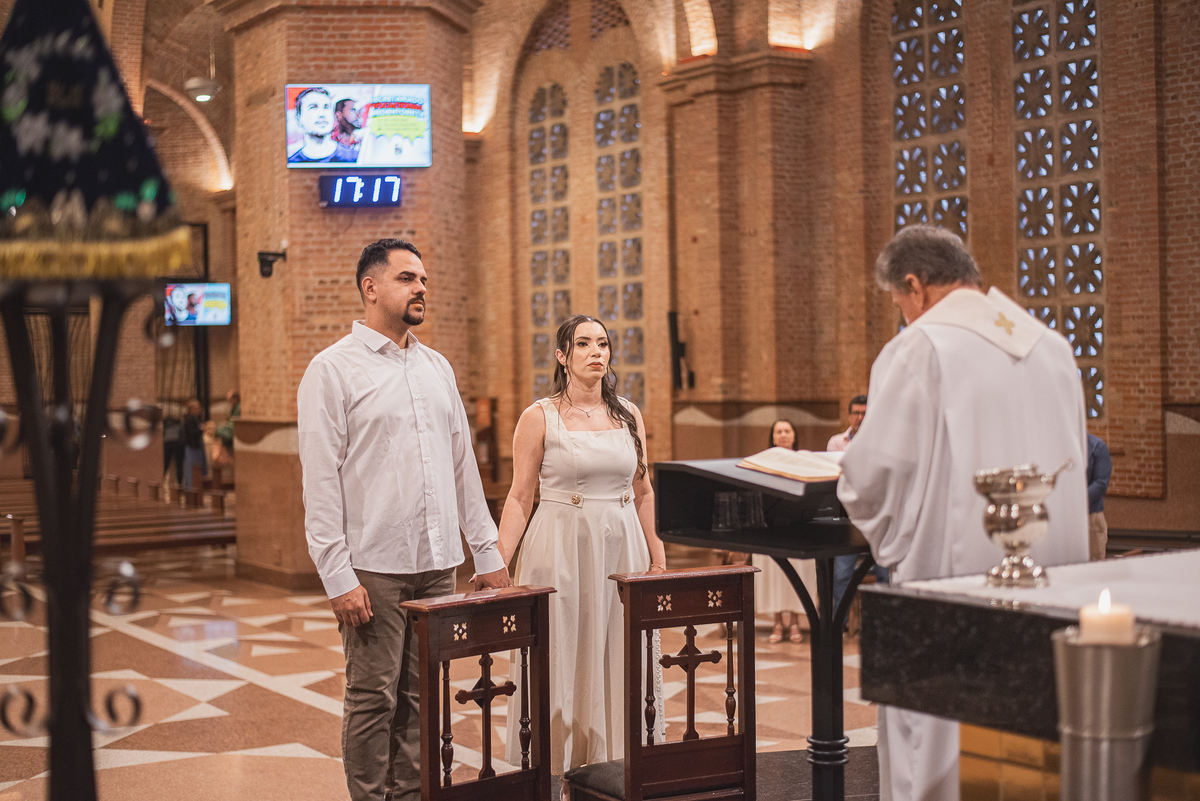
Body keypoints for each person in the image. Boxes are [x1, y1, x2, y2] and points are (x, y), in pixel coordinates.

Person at [837, 225, 1089, 801]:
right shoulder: (1050, 345)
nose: (903, 314)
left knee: (943, 734)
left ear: (914, 285)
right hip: (1055, 584)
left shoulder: (919, 348)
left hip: (949, 591)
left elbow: (874, 475)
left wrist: (891, 542)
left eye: (899, 302)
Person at [297, 238, 512, 801]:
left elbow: (462, 465)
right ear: (371, 288)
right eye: (407, 278)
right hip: (374, 566)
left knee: (422, 697)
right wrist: (337, 576)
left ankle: (410, 795)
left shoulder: (436, 366)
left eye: (423, 279)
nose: (421, 288)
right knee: (373, 698)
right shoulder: (332, 370)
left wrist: (485, 554)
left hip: (438, 564)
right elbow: (319, 482)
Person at [497, 313, 668, 774]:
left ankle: (614, 765)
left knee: (620, 650)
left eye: (603, 344)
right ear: (562, 356)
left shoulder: (629, 414)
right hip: (561, 547)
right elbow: (519, 496)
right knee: (563, 653)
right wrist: (498, 564)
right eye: (584, 344)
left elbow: (644, 490)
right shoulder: (539, 416)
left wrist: (657, 554)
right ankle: (555, 769)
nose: (597, 352)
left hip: (620, 546)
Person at [752, 420, 818, 643]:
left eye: (787, 431)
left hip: (798, 527)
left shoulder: (803, 461)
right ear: (772, 437)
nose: (782, 435)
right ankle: (777, 622)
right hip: (771, 527)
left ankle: (796, 621)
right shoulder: (762, 461)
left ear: (794, 435)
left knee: (798, 573)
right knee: (774, 575)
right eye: (778, 431)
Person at [828, 395, 889, 613]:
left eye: (864, 413)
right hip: (848, 516)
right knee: (842, 573)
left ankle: (880, 622)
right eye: (856, 413)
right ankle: (839, 624)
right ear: (849, 415)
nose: (860, 418)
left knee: (884, 572)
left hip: (878, 515)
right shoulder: (836, 442)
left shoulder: (882, 441)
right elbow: (838, 476)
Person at [288, 87, 358, 163]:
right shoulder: (292, 162)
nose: (322, 114)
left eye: (326, 107)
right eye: (313, 107)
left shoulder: (355, 158)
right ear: (299, 119)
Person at [1086, 433, 1111, 560]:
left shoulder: (1097, 446)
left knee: (1094, 564)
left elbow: (1101, 484)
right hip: (1066, 518)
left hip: (1091, 516)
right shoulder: (1060, 447)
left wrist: (1076, 499)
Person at [181, 398, 207, 489]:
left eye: (199, 408)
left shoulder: (197, 419)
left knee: (198, 467)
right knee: (192, 468)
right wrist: (201, 429)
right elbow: (191, 433)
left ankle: (197, 485)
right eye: (196, 408)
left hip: (197, 446)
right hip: (192, 447)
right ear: (190, 409)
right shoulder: (188, 420)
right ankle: (191, 487)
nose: (198, 410)